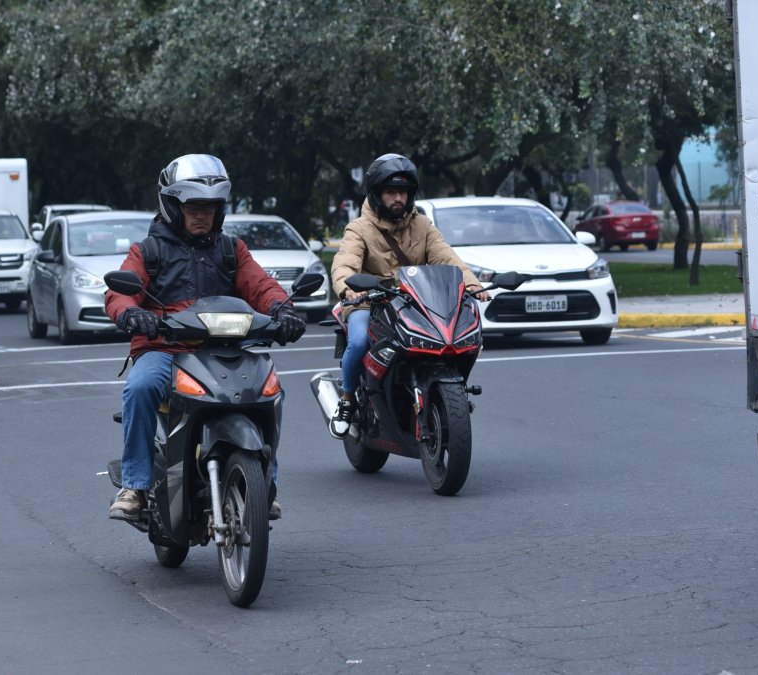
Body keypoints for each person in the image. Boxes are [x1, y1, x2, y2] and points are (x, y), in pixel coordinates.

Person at [104, 154, 306, 521]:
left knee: (273, 391)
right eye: (194, 206)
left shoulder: (231, 250)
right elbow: (119, 292)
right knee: (141, 387)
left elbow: (261, 286)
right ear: (173, 206)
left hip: (224, 349)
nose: (203, 214)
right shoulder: (148, 252)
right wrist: (131, 313)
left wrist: (283, 310)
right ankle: (134, 485)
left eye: (211, 207)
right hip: (167, 350)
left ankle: (265, 484)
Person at [328, 153, 490, 437]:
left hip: (413, 301)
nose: (398, 198)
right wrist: (348, 288)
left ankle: (450, 392)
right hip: (369, 300)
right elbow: (344, 263)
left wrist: (473, 284)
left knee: (453, 337)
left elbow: (446, 257)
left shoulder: (423, 226)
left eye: (402, 192)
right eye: (391, 192)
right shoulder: (359, 228)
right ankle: (348, 398)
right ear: (377, 194)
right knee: (359, 340)